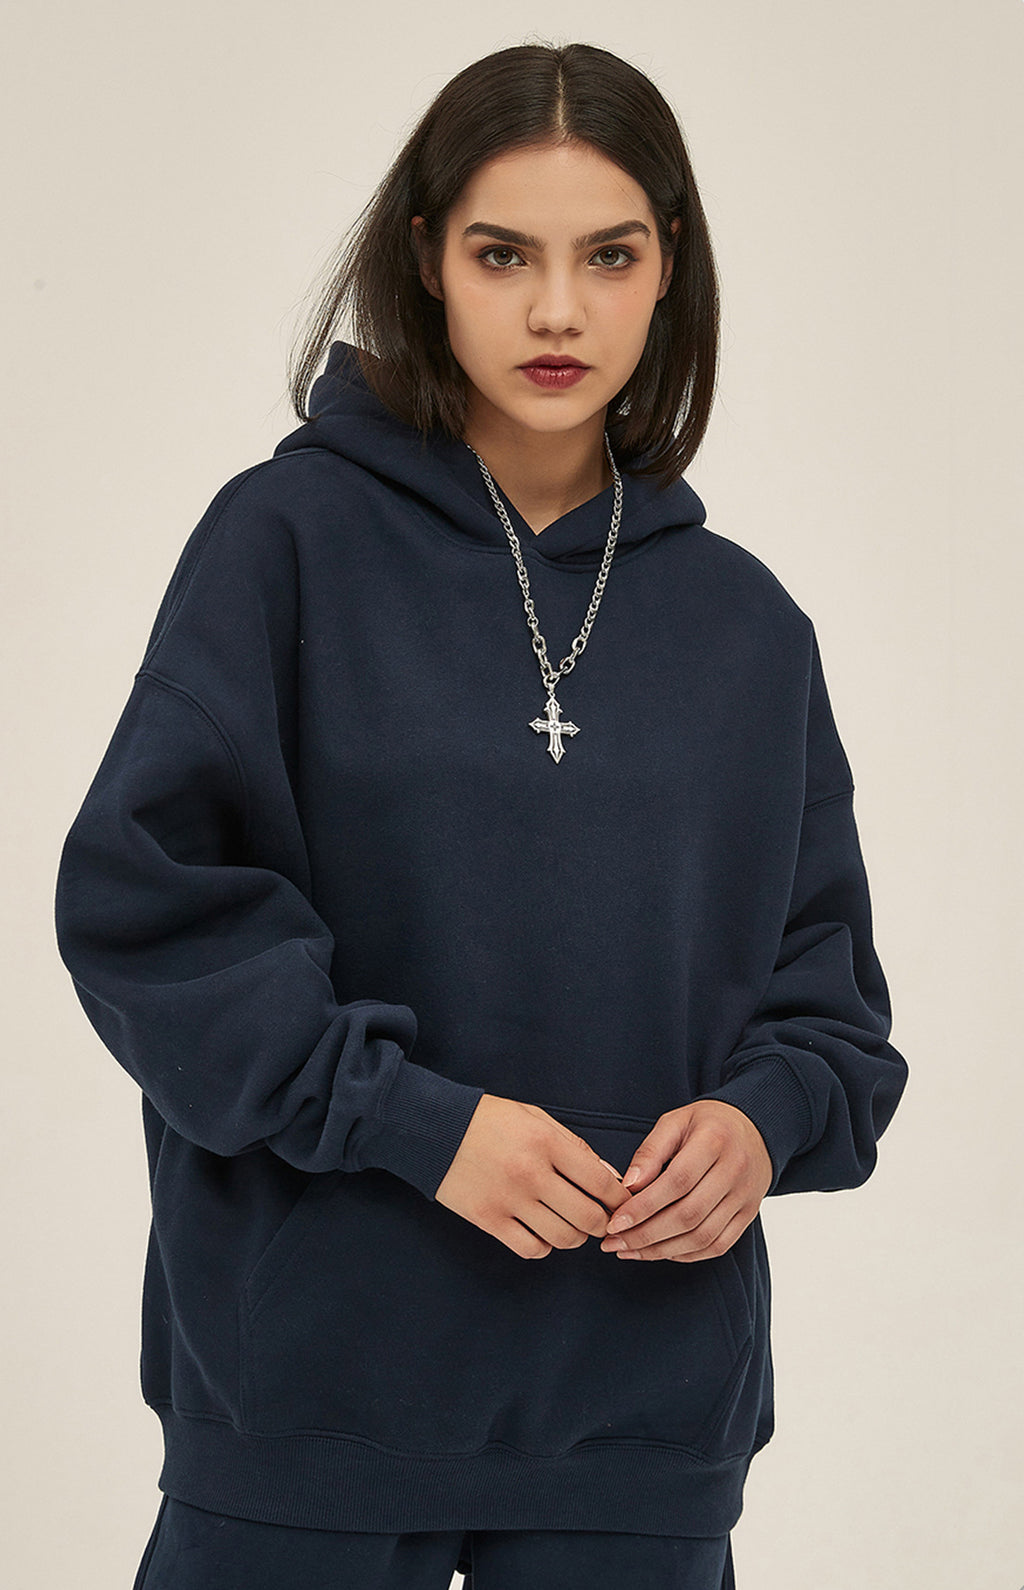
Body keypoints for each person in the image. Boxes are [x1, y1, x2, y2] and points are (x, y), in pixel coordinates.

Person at [54, 39, 908, 1590]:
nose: (559, 310)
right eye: (505, 254)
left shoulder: (748, 631)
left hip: (638, 1430)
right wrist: (415, 1124)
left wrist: (760, 1123)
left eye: (610, 255)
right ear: (428, 261)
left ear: (670, 270)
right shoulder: (286, 543)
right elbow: (147, 905)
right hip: (310, 1403)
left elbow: (831, 1003)